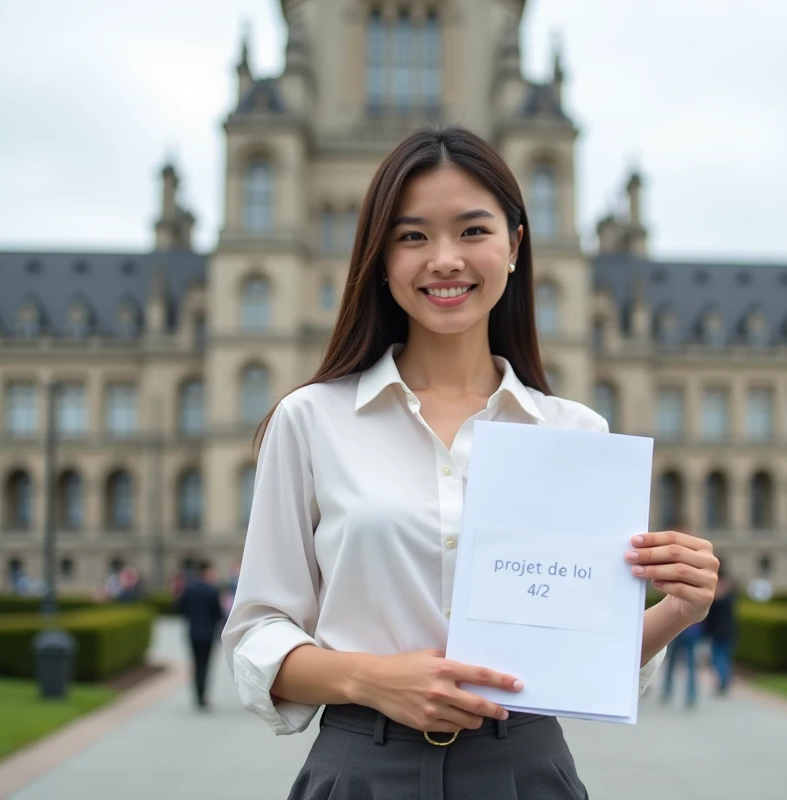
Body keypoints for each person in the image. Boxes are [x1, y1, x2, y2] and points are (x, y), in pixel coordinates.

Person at [221, 126, 720, 799]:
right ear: (379, 256)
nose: (445, 259)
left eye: (472, 231)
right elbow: (257, 632)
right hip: (364, 766)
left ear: (514, 245)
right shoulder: (311, 420)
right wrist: (371, 679)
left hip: (524, 769)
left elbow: (580, 659)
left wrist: (679, 610)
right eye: (413, 236)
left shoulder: (575, 431)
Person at [176, 560, 227, 709]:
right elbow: (218, 614)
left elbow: (180, 608)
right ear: (206, 572)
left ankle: (197, 694)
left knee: (195, 663)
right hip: (208, 633)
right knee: (206, 665)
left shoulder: (189, 589)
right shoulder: (212, 591)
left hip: (193, 632)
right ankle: (202, 696)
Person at [703, 565, 738, 695]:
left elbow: (710, 617)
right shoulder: (730, 597)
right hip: (727, 632)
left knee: (718, 657)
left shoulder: (720, 600)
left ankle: (723, 681)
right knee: (723, 657)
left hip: (719, 633)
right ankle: (725, 680)